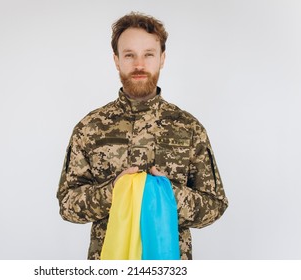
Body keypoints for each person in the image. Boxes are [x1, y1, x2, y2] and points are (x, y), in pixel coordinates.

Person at [57, 12, 228, 260]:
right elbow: (67, 205)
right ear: (117, 60)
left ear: (162, 59)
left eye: (148, 54)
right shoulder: (89, 128)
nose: (139, 65)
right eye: (130, 55)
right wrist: (113, 191)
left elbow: (215, 205)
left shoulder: (189, 129)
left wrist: (167, 195)